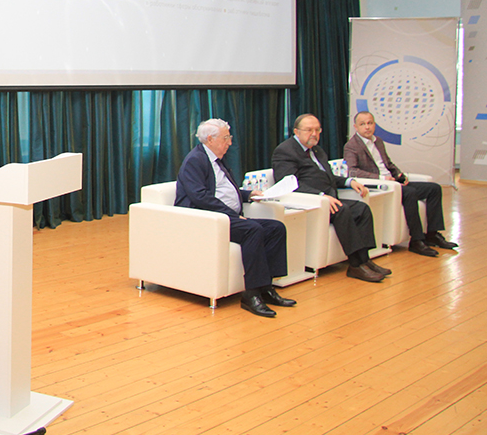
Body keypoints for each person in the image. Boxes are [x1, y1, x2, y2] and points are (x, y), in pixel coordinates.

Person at [175, 119, 296, 318]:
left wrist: (248, 195)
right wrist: (232, 214)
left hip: (225, 216)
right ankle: (251, 294)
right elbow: (200, 197)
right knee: (253, 230)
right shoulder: (195, 161)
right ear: (210, 139)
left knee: (276, 228)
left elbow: (224, 189)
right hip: (207, 219)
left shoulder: (216, 159)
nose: (230, 142)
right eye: (226, 138)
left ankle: (266, 287)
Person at [271, 113, 392, 283]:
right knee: (342, 210)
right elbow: (288, 183)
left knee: (362, 208)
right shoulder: (285, 151)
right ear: (296, 132)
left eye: (317, 130)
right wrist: (321, 196)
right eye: (309, 130)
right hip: (311, 203)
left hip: (329, 198)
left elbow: (327, 177)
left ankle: (365, 260)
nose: (314, 134)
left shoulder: (317, 150)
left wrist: (349, 182)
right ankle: (355, 265)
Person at [344, 111, 457, 256]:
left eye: (370, 123)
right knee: (410, 193)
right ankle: (416, 240)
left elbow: (388, 164)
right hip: (382, 186)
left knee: (434, 189)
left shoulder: (378, 141)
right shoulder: (351, 146)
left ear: (374, 124)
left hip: (394, 182)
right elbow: (353, 172)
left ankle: (432, 234)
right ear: (355, 127)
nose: (367, 127)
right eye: (362, 124)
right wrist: (382, 178)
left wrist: (399, 175)